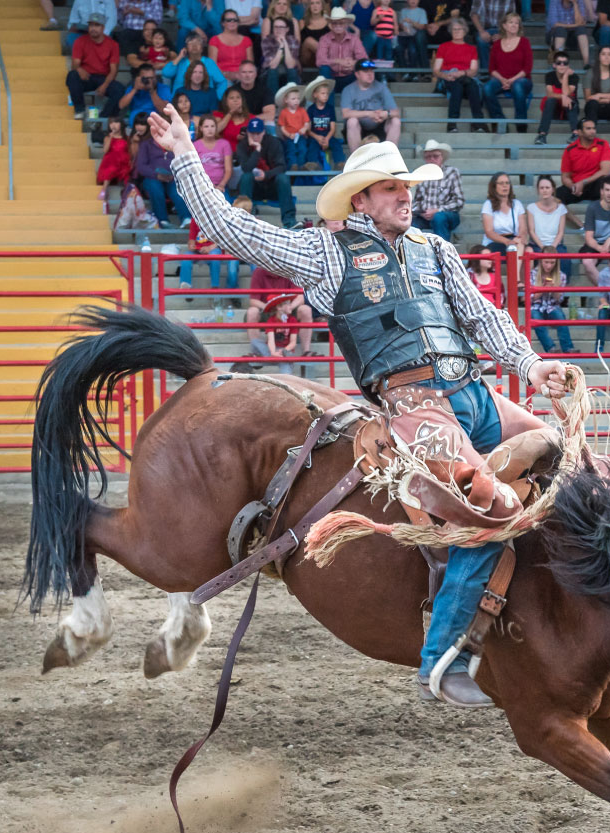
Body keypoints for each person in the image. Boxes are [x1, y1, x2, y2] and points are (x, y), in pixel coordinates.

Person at [150, 102, 577, 706]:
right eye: (391, 188)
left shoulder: (436, 250)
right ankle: (443, 655)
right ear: (361, 200)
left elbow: (482, 317)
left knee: (564, 458)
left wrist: (532, 366)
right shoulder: (328, 253)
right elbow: (236, 231)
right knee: (486, 499)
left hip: (475, 392)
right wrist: (189, 158)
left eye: (406, 186)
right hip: (415, 405)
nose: (405, 196)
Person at [232, 118, 297, 225]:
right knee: (246, 177)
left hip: (272, 187)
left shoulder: (273, 142)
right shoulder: (242, 145)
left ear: (263, 132)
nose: (255, 136)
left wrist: (266, 175)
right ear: (248, 132)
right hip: (253, 188)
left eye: (258, 133)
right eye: (252, 133)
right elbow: (246, 168)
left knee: (283, 178)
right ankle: (244, 220)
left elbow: (281, 167)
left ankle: (289, 220)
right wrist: (257, 149)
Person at [482, 11, 535, 132]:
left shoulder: (524, 42)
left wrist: (511, 80)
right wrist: (502, 80)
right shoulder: (496, 44)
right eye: (511, 22)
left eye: (517, 23)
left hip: (522, 80)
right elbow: (492, 69)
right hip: (501, 79)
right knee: (487, 88)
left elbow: (527, 68)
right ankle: (500, 120)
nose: (514, 25)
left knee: (517, 85)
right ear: (504, 25)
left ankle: (521, 124)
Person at [431, 18, 483, 130]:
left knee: (473, 86)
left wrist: (461, 73)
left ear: (465, 31)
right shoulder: (443, 47)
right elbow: (436, 70)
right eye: (454, 29)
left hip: (466, 77)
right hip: (448, 77)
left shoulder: (471, 49)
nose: (457, 31)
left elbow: (473, 70)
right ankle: (452, 123)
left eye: (460, 29)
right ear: (451, 31)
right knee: (456, 86)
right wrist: (446, 76)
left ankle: (478, 123)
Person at [68, 17, 127, 115]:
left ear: (103, 28)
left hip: (104, 78)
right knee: (72, 76)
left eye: (97, 25)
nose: (93, 28)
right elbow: (75, 64)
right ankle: (80, 110)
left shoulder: (113, 44)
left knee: (119, 90)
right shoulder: (80, 41)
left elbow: (114, 70)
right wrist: (79, 69)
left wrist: (105, 85)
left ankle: (103, 117)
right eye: (91, 25)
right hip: (86, 77)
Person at [411, 138, 463, 242]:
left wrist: (437, 210)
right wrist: (422, 212)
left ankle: (443, 253)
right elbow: (415, 201)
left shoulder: (452, 172)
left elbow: (458, 201)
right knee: (409, 223)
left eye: (435, 156)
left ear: (442, 157)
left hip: (447, 214)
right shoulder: (419, 174)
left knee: (439, 218)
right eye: (428, 157)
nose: (432, 159)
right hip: (424, 215)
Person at [339, 61, 400, 147]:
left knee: (395, 121)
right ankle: (357, 158)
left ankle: (388, 155)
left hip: (379, 127)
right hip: (359, 129)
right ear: (357, 74)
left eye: (371, 71)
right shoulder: (348, 90)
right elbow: (345, 114)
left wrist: (386, 113)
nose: (370, 74)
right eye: (365, 71)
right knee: (352, 121)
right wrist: (369, 114)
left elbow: (396, 112)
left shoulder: (381, 87)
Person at [555, 117, 610, 206]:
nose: (593, 131)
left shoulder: (603, 144)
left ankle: (604, 218)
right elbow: (565, 177)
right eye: (588, 129)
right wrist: (573, 187)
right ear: (579, 132)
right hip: (576, 188)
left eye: (594, 128)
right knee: (554, 196)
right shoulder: (570, 149)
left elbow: (605, 171)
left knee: (608, 184)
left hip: (595, 185)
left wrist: (583, 182)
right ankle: (576, 221)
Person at [481, 171, 521, 252]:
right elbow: (489, 232)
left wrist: (518, 238)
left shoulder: (517, 204)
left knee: (525, 248)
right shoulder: (488, 205)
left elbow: (523, 228)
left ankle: (515, 265)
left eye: (507, 183)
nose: (505, 185)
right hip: (495, 242)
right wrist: (507, 241)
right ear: (494, 186)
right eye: (501, 183)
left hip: (514, 240)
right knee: (510, 248)